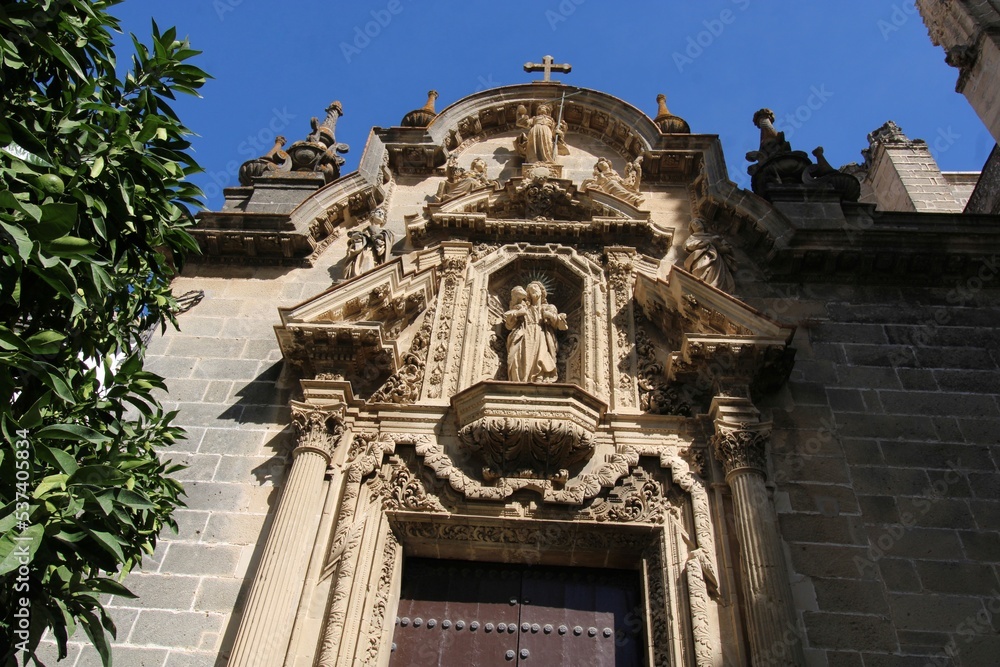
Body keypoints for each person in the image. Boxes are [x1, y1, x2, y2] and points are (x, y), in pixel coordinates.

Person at [504, 281, 568, 383]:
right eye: (530, 290)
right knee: (522, 358)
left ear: (542, 292)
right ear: (528, 294)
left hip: (541, 333)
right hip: (524, 334)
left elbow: (561, 326)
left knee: (541, 355)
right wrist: (517, 314)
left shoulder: (549, 308)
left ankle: (540, 378)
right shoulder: (523, 307)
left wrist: (551, 316)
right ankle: (522, 379)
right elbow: (508, 324)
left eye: (535, 288)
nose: (533, 290)